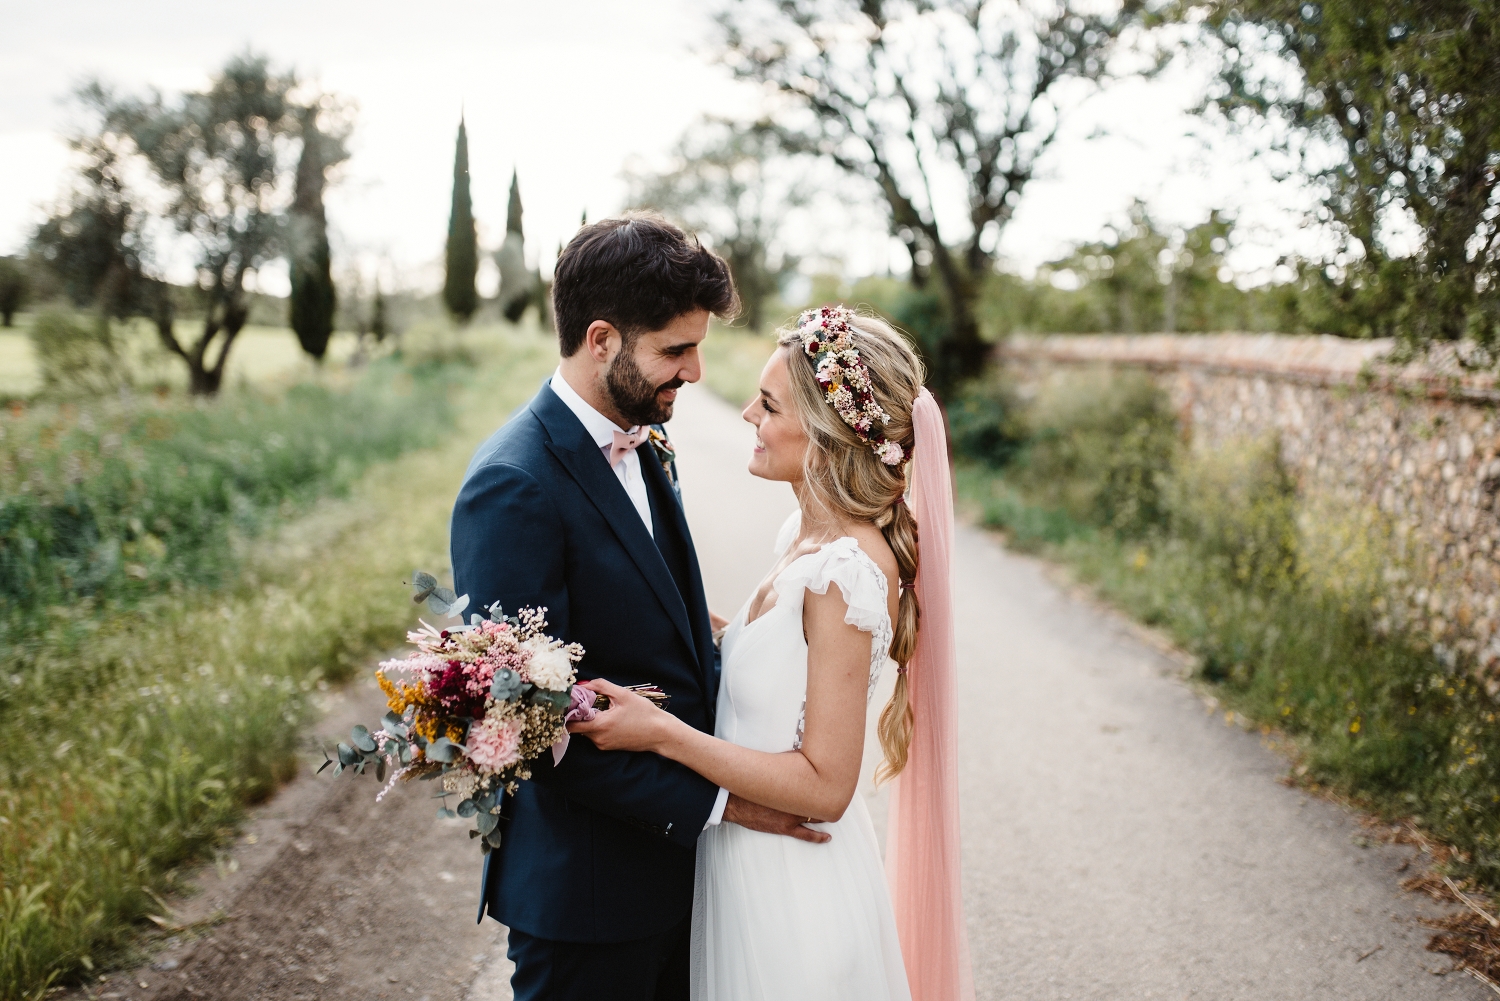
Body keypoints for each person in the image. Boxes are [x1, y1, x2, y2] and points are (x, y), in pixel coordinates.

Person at [449, 215, 830, 1001]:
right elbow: (529, 730)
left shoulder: (642, 436)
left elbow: (656, 621)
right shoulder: (513, 486)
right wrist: (728, 802)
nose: (693, 372)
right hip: (588, 902)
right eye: (675, 350)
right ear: (601, 339)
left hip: (683, 885)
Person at [572, 306, 974, 1000]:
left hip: (795, 897)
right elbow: (779, 665)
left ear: (826, 434)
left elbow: (825, 784)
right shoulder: (806, 535)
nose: (747, 414)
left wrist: (663, 733)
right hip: (747, 869)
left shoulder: (847, 569)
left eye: (769, 403)